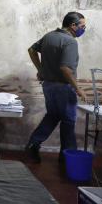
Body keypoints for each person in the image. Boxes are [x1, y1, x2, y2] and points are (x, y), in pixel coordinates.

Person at [24, 12, 87, 164]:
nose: (84, 29)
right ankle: (67, 157)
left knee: (52, 116)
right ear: (73, 25)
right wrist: (77, 88)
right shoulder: (70, 41)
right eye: (82, 26)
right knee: (68, 121)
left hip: (49, 86)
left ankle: (33, 144)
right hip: (63, 87)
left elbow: (31, 50)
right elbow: (65, 68)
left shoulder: (49, 36)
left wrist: (41, 70)